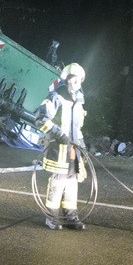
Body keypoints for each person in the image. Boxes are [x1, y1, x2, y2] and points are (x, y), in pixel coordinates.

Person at [35, 62, 87, 231]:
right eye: (71, 80)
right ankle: (52, 217)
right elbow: (40, 119)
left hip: (73, 151)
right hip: (59, 150)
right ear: (66, 80)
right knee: (57, 184)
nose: (74, 84)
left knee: (72, 184)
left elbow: (77, 128)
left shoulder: (79, 101)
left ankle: (70, 217)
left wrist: (83, 147)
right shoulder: (56, 97)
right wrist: (59, 134)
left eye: (77, 81)